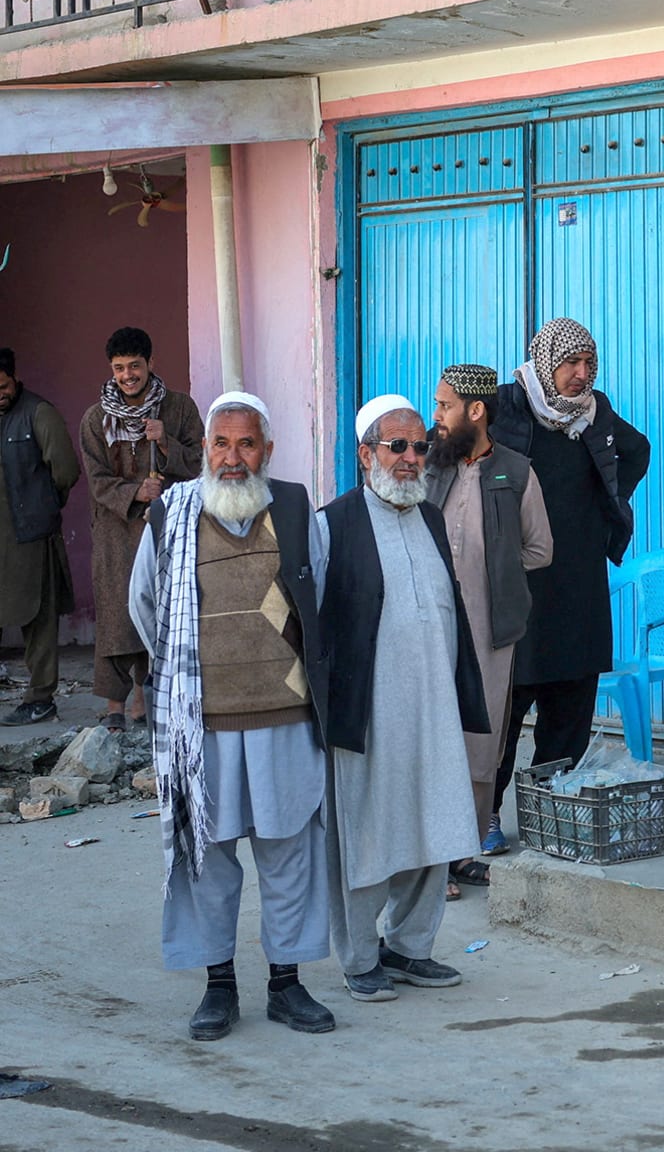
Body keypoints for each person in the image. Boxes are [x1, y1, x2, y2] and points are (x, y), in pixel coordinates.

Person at [129, 392, 335, 1039]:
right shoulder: (172, 514)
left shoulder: (298, 510)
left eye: (247, 445)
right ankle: (218, 988)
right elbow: (146, 604)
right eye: (222, 444)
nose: (233, 458)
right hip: (203, 730)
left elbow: (318, 594)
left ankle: (287, 985)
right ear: (206, 450)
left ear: (267, 452)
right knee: (209, 863)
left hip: (284, 721)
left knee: (288, 856)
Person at [321, 396, 491, 1002]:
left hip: (433, 705)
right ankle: (360, 956)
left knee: (433, 823)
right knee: (367, 836)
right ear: (367, 453)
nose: (412, 458)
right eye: (398, 447)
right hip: (369, 712)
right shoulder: (331, 523)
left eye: (420, 447)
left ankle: (410, 948)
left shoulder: (430, 519)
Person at [485, 319, 649, 855]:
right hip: (522, 582)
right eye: (570, 364)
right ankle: (485, 812)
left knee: (572, 699)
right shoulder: (507, 404)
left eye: (588, 365)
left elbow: (638, 450)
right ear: (545, 360)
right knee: (506, 707)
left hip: (578, 580)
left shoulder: (596, 412)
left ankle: (549, 806)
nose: (580, 376)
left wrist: (607, 505)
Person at [423, 365, 553, 899]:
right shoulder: (427, 467)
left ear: (475, 411)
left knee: (482, 743)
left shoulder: (517, 471)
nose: (436, 418)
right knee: (428, 741)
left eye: (444, 406)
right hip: (427, 632)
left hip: (490, 633)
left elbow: (540, 550)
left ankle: (463, 851)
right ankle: (428, 863)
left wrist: (494, 571)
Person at [81, 327, 204, 730]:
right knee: (118, 613)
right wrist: (136, 491)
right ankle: (114, 704)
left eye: (135, 366)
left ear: (151, 364)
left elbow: (201, 464)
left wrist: (165, 442)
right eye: (119, 368)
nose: (127, 375)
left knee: (159, 609)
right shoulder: (96, 419)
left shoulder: (180, 408)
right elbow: (97, 481)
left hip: (165, 526)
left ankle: (145, 696)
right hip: (116, 531)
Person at [0, 348, 80, 727]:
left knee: (39, 618)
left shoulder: (38, 413)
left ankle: (40, 698)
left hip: (31, 534)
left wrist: (44, 506)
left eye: (2, 385)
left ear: (14, 379)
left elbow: (65, 469)